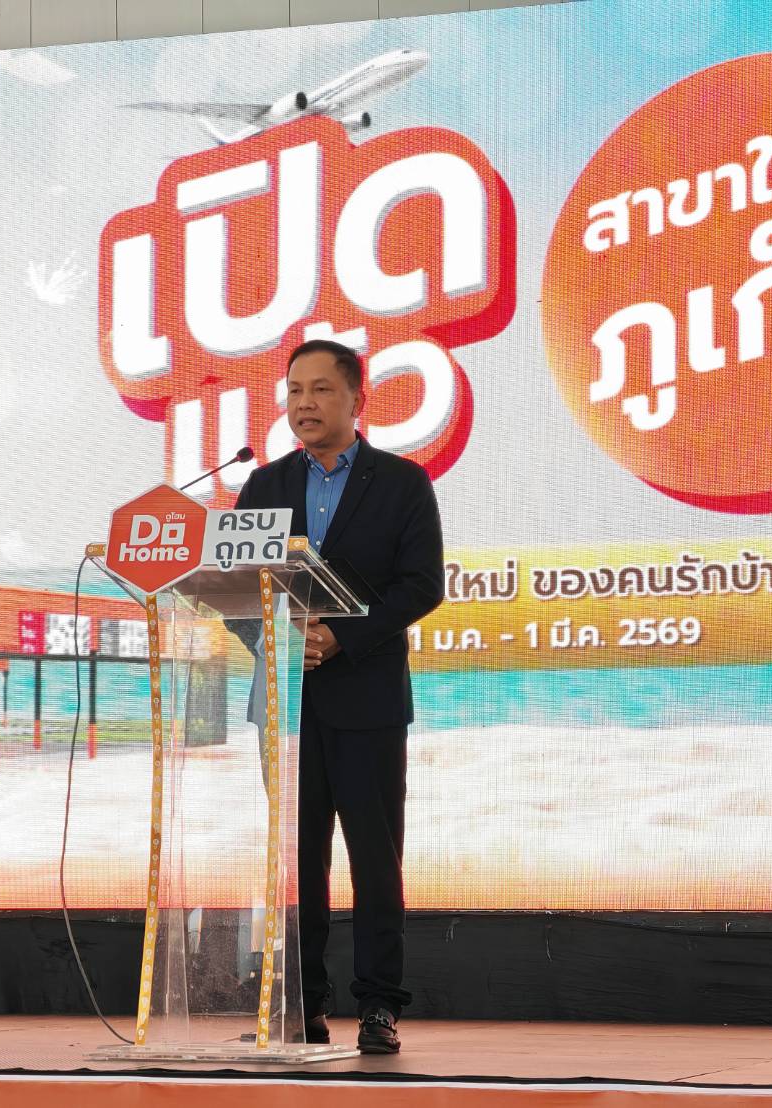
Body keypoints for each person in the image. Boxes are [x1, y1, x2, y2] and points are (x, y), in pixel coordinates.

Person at [234, 338, 443, 1055]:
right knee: (298, 862)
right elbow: (233, 589)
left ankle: (379, 1006)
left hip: (368, 700)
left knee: (374, 860)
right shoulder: (262, 486)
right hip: (285, 702)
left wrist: (340, 639)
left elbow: (421, 586)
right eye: (294, 391)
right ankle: (300, 1005)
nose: (304, 404)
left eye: (321, 390)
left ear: (357, 399)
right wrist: (283, 645)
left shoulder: (402, 483)